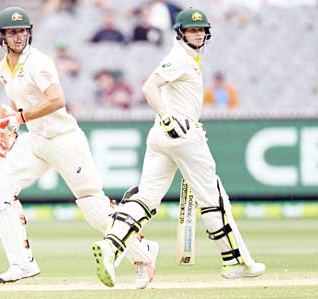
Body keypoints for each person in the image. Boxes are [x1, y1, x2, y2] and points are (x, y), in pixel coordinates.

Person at [91, 8, 266, 288]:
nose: (197, 34)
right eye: (191, 30)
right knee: (213, 199)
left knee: (146, 198)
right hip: (182, 133)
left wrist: (165, 119)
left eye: (200, 30)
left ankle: (111, 246)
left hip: (160, 137)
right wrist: (168, 115)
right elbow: (149, 88)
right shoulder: (179, 58)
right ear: (179, 33)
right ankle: (235, 262)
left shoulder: (189, 58)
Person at [0, 7, 159, 289]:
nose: (18, 36)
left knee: (94, 209)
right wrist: (10, 123)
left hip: (64, 139)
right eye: (11, 32)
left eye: (21, 31)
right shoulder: (3, 69)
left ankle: (144, 252)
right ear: (1, 36)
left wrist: (18, 118)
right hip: (36, 139)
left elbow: (56, 100)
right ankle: (22, 263)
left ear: (29, 32)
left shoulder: (37, 62)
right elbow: (23, 107)